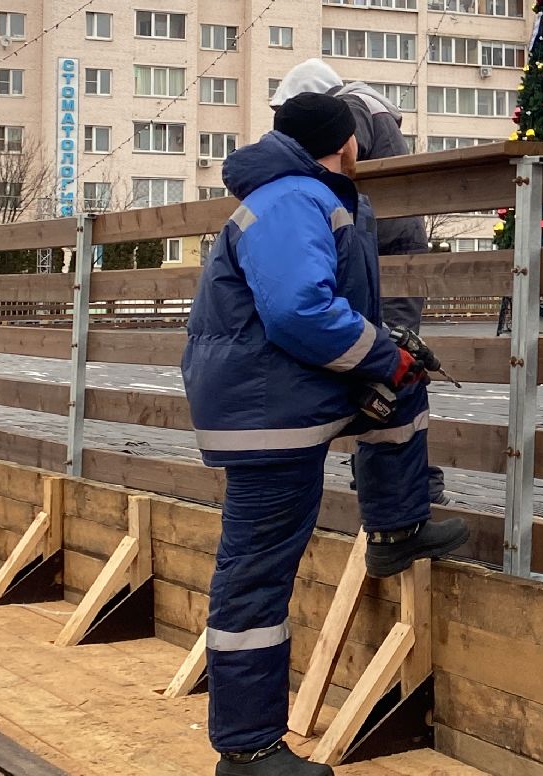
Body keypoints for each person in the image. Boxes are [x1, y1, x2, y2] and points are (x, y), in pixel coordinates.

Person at [183, 93, 468, 776]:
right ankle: (249, 749)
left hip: (281, 395)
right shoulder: (292, 200)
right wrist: (378, 352)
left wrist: (386, 358)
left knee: (402, 385)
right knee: (255, 578)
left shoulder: (299, 195)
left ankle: (396, 529)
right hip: (268, 411)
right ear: (346, 144)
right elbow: (298, 310)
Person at [270, 58, 448, 506]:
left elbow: (339, 154)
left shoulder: (353, 107)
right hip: (387, 250)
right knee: (388, 363)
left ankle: (410, 486)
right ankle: (391, 485)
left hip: (386, 254)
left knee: (390, 367)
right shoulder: (371, 104)